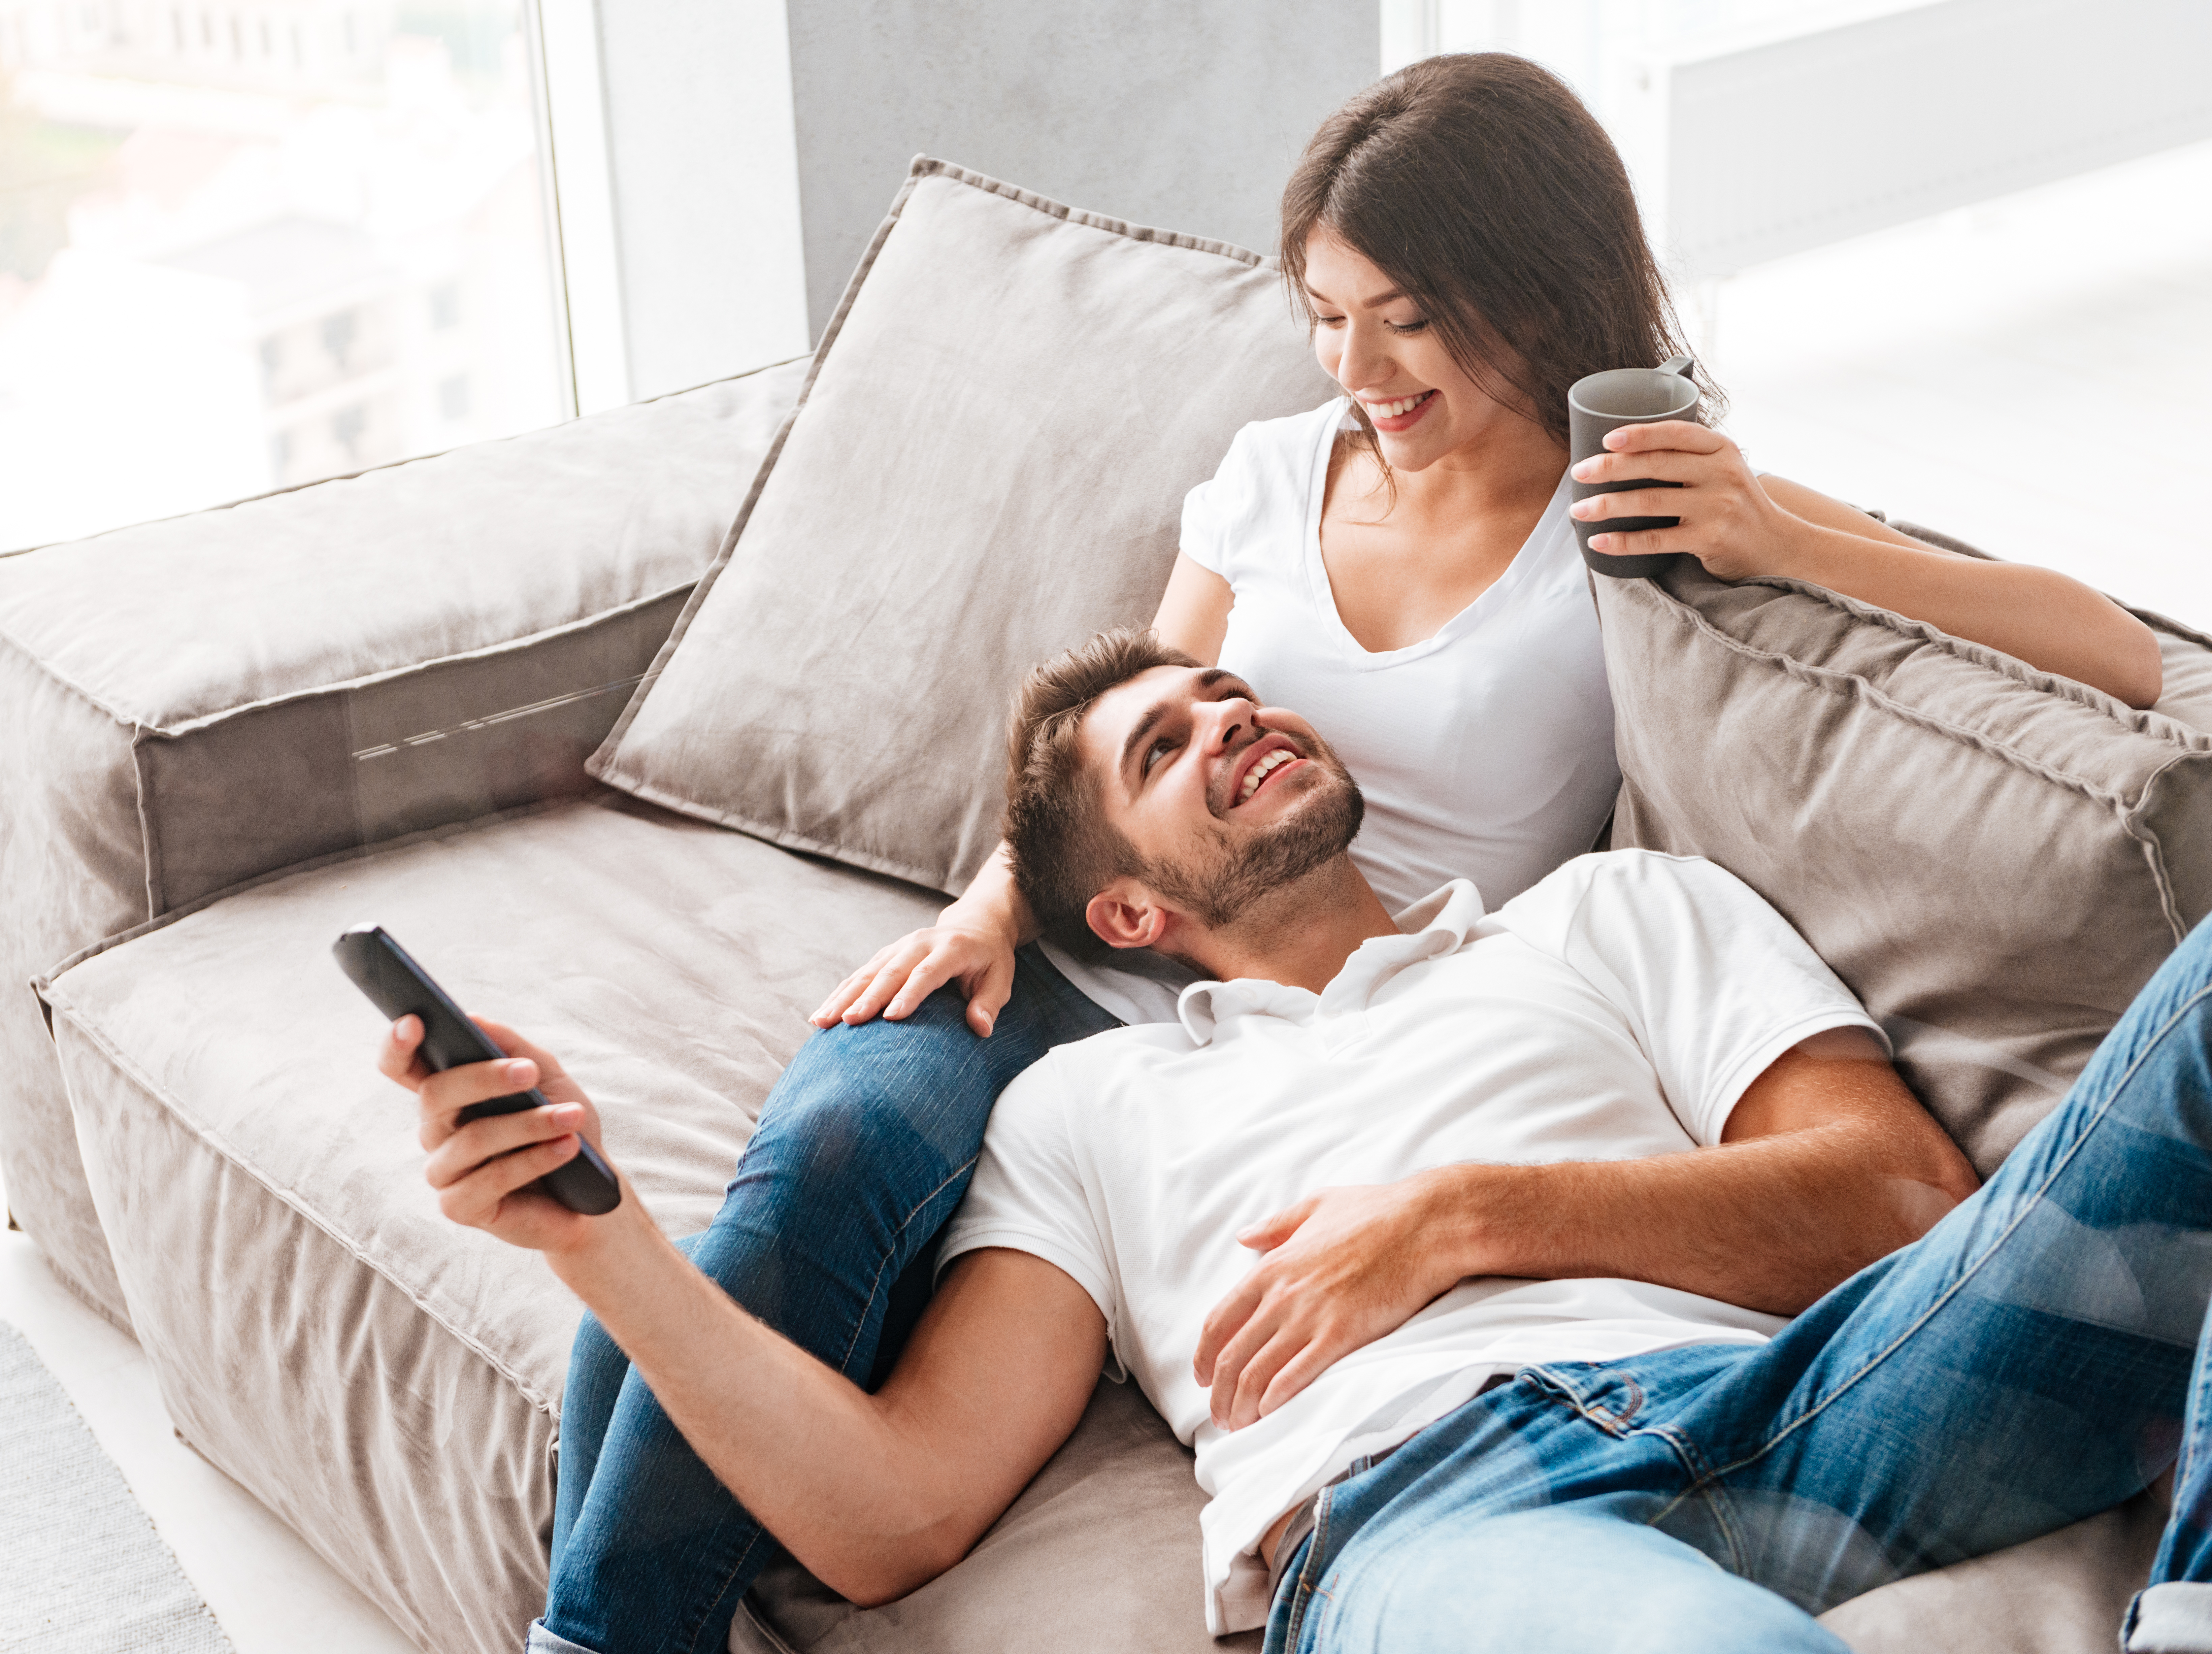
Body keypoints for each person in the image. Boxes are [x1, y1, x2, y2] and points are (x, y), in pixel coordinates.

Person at [529, 54, 2168, 1654]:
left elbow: (2111, 663)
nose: (1358, 366)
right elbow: (1127, 718)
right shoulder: (1269, 493)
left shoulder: (1623, 613)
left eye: (1404, 314)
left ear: (1532, 290)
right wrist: (991, 909)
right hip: (1180, 1032)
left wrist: (1775, 536)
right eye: (1325, 314)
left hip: (1516, 1092)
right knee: (805, 1179)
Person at [388, 632, 2212, 1654]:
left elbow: (1902, 1201)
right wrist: (593, 1238)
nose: (1233, 721)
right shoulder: (1087, 1111)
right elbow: (892, 1515)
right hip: (1439, 1510)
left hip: (1833, 1395)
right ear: (1125, 920)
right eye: (1165, 748)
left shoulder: (1615, 912)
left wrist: (1463, 1218)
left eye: (1228, 696)